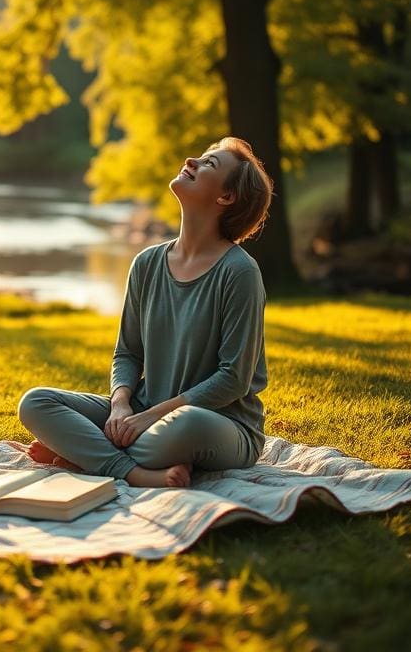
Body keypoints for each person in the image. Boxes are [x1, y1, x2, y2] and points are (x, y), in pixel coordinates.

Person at [17, 136, 272, 488]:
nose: (190, 160)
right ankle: (134, 470)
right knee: (36, 403)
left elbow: (233, 379)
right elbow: (127, 352)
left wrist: (149, 417)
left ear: (226, 197)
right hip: (142, 412)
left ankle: (81, 456)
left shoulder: (239, 272)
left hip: (219, 425)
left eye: (209, 163)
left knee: (186, 424)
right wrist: (121, 405)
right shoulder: (146, 263)